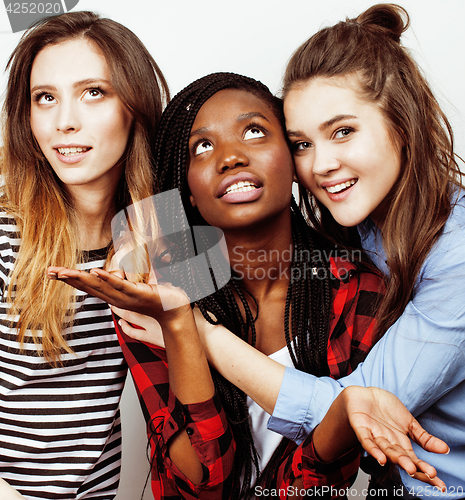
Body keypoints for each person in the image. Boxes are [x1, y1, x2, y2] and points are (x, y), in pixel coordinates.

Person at [50, 72, 448, 500]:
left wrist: (341, 419)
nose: (231, 157)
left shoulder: (359, 290)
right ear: (188, 192)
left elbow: (318, 483)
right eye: (203, 146)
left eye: (254, 131)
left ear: (295, 163)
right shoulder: (148, 290)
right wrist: (179, 324)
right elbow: (200, 486)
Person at [159, 3, 462, 496]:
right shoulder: (352, 223)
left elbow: (355, 412)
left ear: (401, 124)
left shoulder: (452, 258)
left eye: (343, 131)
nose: (320, 165)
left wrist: (191, 329)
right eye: (302, 143)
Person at [0, 11, 169, 499]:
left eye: (93, 92)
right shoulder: (6, 231)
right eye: (45, 98)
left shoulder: (167, 225)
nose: (64, 122)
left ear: (134, 104)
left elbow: (217, 381)